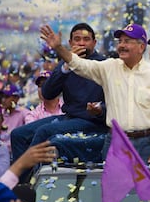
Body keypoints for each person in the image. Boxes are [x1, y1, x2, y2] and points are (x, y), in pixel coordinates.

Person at [40, 23, 150, 166]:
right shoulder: (109, 67)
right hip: (115, 141)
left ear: (141, 47)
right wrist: (59, 48)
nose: (121, 45)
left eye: (127, 41)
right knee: (113, 188)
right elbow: (79, 64)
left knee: (144, 188)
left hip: (147, 143)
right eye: (120, 41)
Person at [11, 23, 107, 176]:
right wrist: (65, 67)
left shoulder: (103, 64)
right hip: (69, 118)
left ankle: (23, 183)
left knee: (44, 131)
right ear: (70, 43)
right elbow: (48, 93)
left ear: (94, 43)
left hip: (92, 121)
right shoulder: (66, 63)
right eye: (77, 39)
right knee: (18, 134)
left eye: (86, 39)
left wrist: (99, 108)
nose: (81, 43)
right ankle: (20, 180)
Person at [0, 84, 30, 152]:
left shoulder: (25, 113)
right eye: (3, 97)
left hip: (17, 152)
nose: (3, 100)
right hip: (0, 151)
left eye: (7, 97)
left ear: (16, 99)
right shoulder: (0, 113)